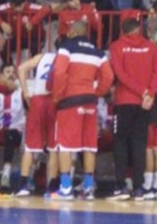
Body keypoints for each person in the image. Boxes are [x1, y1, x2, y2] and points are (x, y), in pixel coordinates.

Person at [47, 21, 114, 201]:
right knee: (89, 145)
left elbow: (59, 72)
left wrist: (57, 95)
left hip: (69, 100)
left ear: (72, 31)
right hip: (90, 101)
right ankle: (89, 188)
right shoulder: (98, 52)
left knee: (65, 145)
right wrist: (96, 92)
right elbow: (109, 76)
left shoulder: (66, 47)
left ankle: (66, 188)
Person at [107, 18, 157, 201]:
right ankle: (139, 188)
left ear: (123, 31)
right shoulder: (151, 47)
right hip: (144, 103)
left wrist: (143, 91)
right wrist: (150, 94)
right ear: (138, 29)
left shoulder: (116, 46)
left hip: (124, 101)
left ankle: (121, 186)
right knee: (140, 144)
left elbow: (120, 74)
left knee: (120, 144)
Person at [13, 51, 59, 197]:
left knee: (30, 146)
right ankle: (52, 186)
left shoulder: (42, 56)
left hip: (37, 99)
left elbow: (21, 68)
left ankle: (23, 185)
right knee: (53, 147)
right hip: (54, 101)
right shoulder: (67, 57)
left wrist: (26, 91)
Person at [0, 62, 24, 188]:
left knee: (10, 134)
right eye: (7, 72)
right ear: (1, 75)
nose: (11, 75)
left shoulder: (21, 92)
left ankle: (6, 173)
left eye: (13, 72)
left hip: (16, 130)